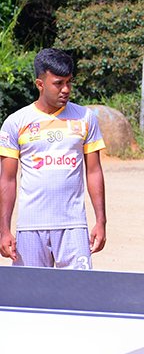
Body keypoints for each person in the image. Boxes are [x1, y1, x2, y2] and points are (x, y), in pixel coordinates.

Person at [0, 48, 106, 269]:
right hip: (30, 227)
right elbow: (8, 179)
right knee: (29, 298)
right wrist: (4, 230)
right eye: (58, 83)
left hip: (74, 227)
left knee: (79, 295)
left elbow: (94, 171)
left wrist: (101, 221)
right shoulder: (16, 122)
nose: (66, 89)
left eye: (69, 82)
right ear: (40, 84)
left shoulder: (85, 118)